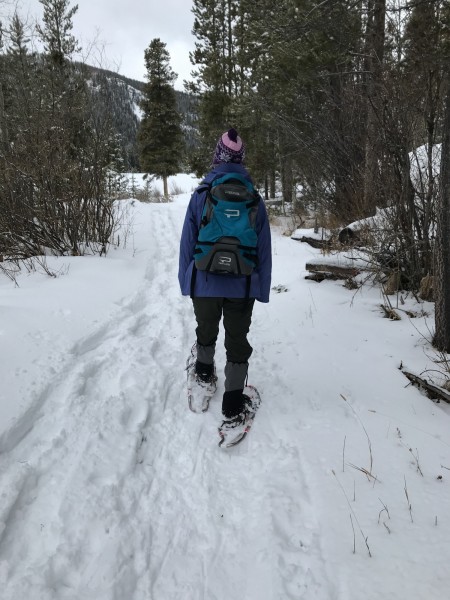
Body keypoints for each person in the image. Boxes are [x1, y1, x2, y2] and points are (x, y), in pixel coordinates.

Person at [178, 128, 272, 422]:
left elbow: (187, 241)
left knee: (206, 330)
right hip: (242, 284)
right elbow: (264, 248)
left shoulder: (203, 194)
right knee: (237, 337)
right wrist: (262, 288)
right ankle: (232, 402)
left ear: (217, 157)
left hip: (204, 281)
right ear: (242, 160)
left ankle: (204, 377)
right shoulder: (254, 199)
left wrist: (187, 281)